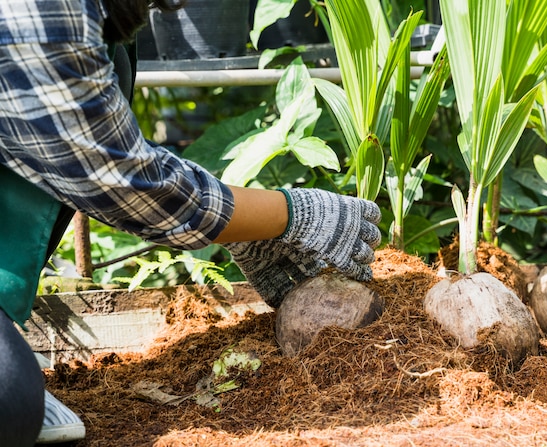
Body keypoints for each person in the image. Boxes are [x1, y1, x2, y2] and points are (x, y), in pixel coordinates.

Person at [0, 0, 381, 445]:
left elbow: (86, 161)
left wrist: (248, 229)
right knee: (11, 398)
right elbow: (129, 185)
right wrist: (293, 215)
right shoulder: (41, 10)